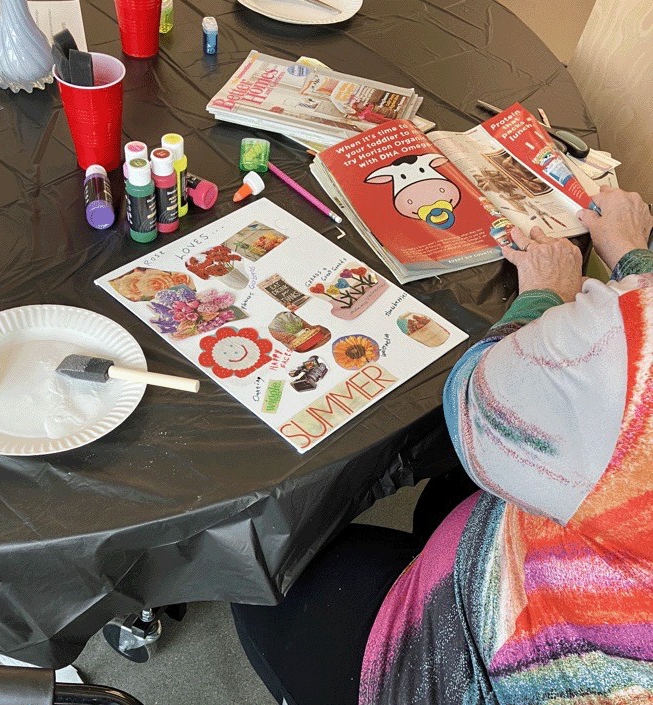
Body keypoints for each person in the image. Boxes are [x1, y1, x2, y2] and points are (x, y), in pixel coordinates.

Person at [231, 186, 653, 705]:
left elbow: (479, 404)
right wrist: (633, 259)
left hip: (457, 669)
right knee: (445, 491)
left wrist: (545, 296)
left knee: (254, 571)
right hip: (543, 563)